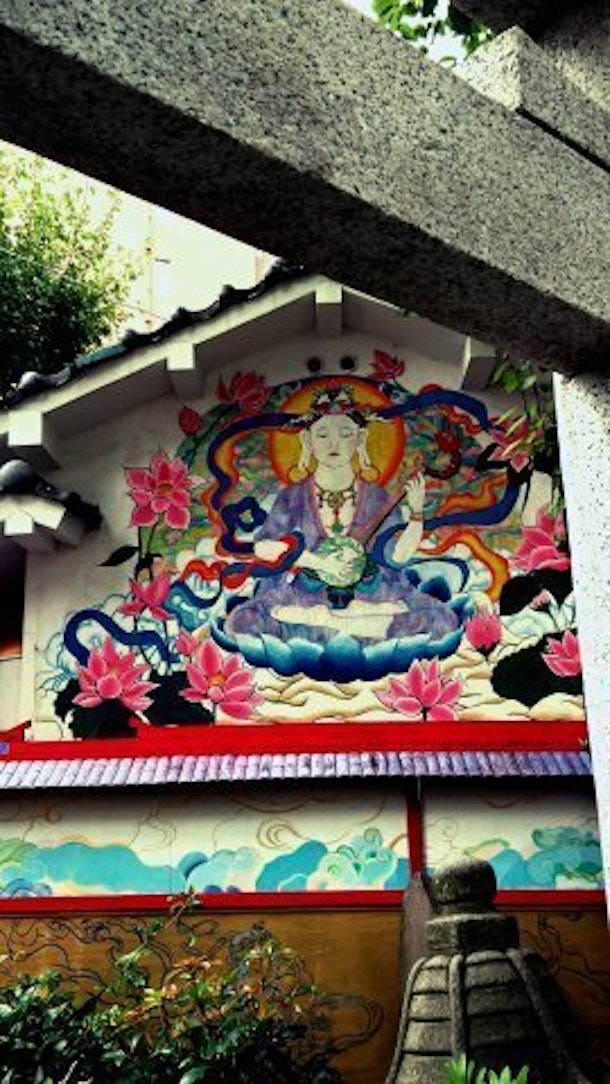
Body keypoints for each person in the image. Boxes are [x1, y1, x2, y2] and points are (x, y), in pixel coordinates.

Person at [223, 387, 462, 649]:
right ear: (307, 440)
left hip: (371, 593)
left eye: (345, 434)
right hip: (307, 593)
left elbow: (397, 557)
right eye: (323, 435)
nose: (334, 444)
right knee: (241, 622)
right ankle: (357, 628)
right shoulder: (293, 496)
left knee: (443, 620)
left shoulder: (377, 497)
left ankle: (328, 626)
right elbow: (265, 548)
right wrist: (321, 564)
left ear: (360, 439)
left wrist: (416, 514)